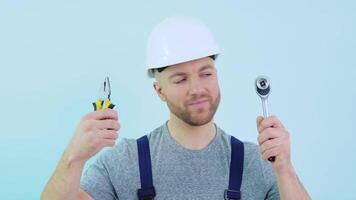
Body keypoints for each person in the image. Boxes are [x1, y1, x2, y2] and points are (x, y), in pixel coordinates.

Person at [41, 16, 310, 200]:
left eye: (206, 73)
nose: (197, 88)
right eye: (180, 79)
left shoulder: (259, 163)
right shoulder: (123, 163)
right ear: (159, 90)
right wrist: (73, 158)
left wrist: (285, 168)